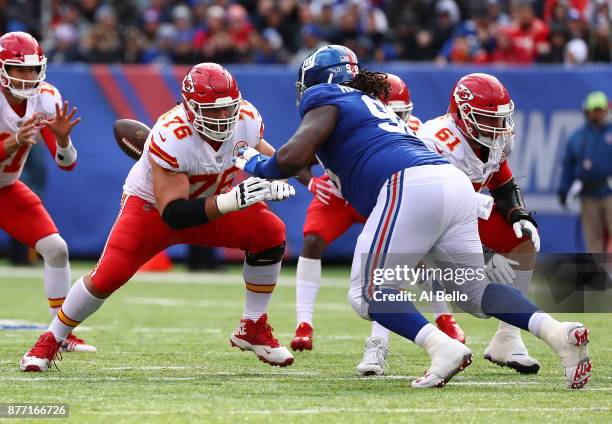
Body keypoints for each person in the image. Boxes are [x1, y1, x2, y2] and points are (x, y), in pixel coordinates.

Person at [235, 44, 591, 389]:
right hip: (448, 183)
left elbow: (294, 153)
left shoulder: (326, 97)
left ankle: (442, 348)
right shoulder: (369, 105)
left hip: (409, 184)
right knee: (473, 291)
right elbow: (313, 157)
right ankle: (556, 333)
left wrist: (254, 163)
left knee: (366, 292)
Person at [19, 63, 296, 372]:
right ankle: (51, 339)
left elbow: (266, 157)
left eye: (227, 109)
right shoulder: (172, 133)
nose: (222, 118)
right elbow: (174, 214)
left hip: (211, 202)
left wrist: (277, 176)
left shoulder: (245, 118)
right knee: (105, 278)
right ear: (190, 107)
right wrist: (232, 199)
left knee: (270, 231)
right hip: (153, 209)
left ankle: (253, 326)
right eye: (212, 111)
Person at [289, 73, 466, 376]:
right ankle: (303, 322)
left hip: (386, 190)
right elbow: (297, 154)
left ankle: (426, 325)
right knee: (315, 241)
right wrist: (312, 183)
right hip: (340, 191)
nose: (395, 118)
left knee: (399, 264)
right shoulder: (342, 112)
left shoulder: (414, 131)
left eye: (401, 112)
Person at [415, 73, 542, 374]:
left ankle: (508, 339)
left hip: (462, 208)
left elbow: (502, 180)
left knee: (523, 238)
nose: (498, 128)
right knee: (385, 282)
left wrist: (518, 214)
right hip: (424, 216)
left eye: (500, 119)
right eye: (488, 119)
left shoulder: (495, 137)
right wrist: (482, 252)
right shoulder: (435, 140)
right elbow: (435, 206)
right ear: (463, 114)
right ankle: (377, 347)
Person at [0, 31, 94, 353]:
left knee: (56, 249)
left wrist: (64, 140)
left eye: (32, 69)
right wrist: (15, 141)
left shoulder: (46, 97)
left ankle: (61, 332)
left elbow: (66, 164)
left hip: (5, 188)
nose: (27, 77)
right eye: (19, 69)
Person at [559, 91, 612, 253]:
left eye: (600, 109)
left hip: (610, 191)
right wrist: (564, 189)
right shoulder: (578, 137)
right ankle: (599, 275)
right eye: (594, 109)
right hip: (588, 193)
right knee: (593, 240)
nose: (598, 113)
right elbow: (568, 166)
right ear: (587, 111)